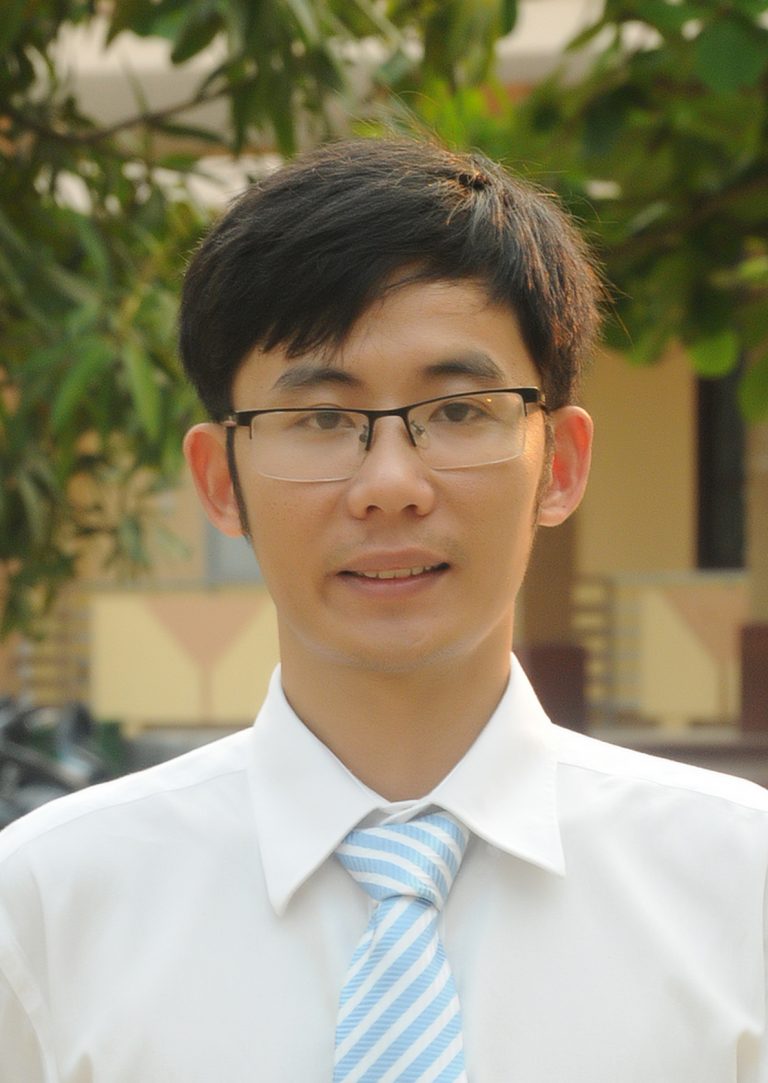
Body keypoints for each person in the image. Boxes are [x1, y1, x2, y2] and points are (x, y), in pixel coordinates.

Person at [0, 138, 766, 1083]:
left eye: (459, 411)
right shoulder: (46, 907)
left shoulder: (741, 887)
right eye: (321, 418)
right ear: (220, 479)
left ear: (561, 464)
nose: (391, 485)